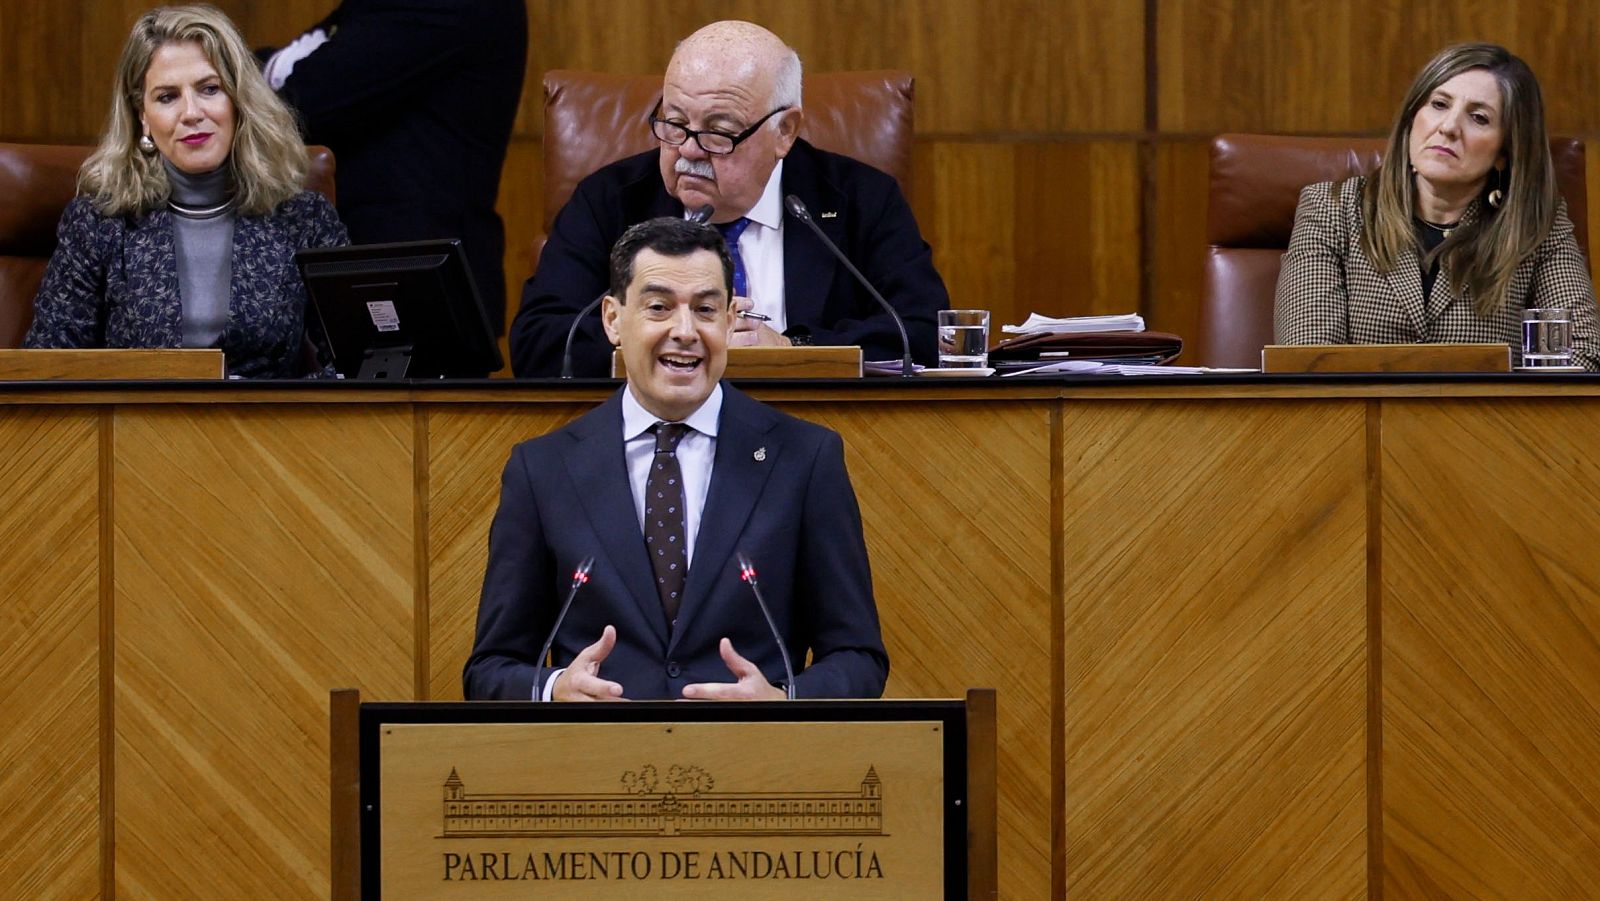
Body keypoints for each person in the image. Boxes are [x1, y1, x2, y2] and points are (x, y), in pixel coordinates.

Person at [465, 217, 889, 701]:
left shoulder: (805, 457)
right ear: (612, 320)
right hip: (599, 762)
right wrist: (553, 688)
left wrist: (784, 703)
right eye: (659, 307)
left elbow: (858, 657)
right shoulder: (542, 470)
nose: (684, 331)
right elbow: (490, 670)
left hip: (753, 763)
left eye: (706, 310)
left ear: (730, 321)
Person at [508, 20, 949, 378]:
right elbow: (539, 342)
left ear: (784, 132)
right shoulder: (610, 200)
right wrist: (659, 339)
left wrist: (792, 349)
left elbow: (925, 331)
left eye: (718, 132)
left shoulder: (859, 198)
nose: (688, 150)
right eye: (674, 123)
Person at [25, 5, 347, 379]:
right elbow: (44, 371)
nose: (191, 112)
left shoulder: (302, 218)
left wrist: (284, 412)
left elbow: (359, 361)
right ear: (141, 114)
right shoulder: (99, 222)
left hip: (266, 431)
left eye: (209, 89)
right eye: (167, 97)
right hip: (138, 431)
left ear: (239, 100)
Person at [1274, 43, 1600, 370]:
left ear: (1505, 150)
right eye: (1439, 104)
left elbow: (1582, 358)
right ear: (1412, 118)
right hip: (1357, 420)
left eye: (1478, 117)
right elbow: (1306, 360)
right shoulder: (1333, 210)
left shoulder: (1534, 226)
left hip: (1485, 421)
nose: (1448, 127)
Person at [258, 0, 527, 332]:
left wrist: (237, 78)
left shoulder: (435, 7)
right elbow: (308, 55)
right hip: (366, 275)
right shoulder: (373, 9)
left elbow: (308, 98)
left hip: (417, 277)